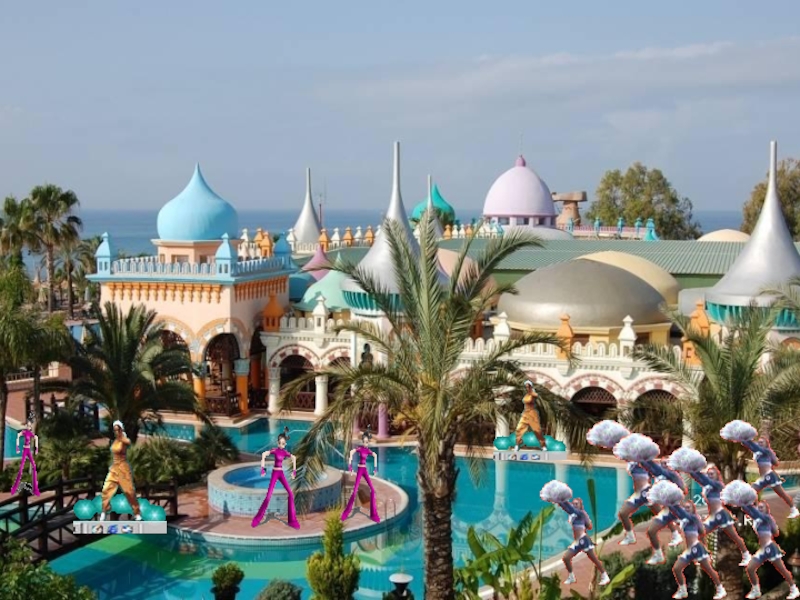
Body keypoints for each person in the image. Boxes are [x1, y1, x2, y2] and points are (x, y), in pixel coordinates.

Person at [690, 465, 750, 565]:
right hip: (713, 517)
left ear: (717, 475)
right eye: (708, 474)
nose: (710, 475)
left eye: (712, 474)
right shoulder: (707, 487)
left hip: (721, 515)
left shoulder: (718, 485)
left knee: (734, 536)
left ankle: (746, 554)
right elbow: (699, 478)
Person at [741, 499, 800, 599]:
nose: (759, 509)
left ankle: (793, 588)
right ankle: (756, 590)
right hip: (763, 550)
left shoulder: (766, 518)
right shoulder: (759, 519)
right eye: (758, 507)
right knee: (750, 568)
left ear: (766, 509)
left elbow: (776, 532)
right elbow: (776, 533)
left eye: (762, 507)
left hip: (770, 548)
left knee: (782, 569)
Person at [669, 500, 726, 599]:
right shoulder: (685, 520)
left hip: (696, 548)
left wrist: (672, 503)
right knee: (676, 568)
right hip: (690, 550)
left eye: (688, 507)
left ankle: (720, 588)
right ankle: (683, 589)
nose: (686, 509)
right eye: (685, 507)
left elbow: (701, 532)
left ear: (693, 509)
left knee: (709, 570)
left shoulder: (693, 518)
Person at [252, 427, 299, 529]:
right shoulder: (275, 450)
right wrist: (263, 468)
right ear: (278, 443)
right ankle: (257, 519)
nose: (282, 445)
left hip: (281, 473)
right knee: (268, 496)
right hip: (275, 473)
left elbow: (294, 457)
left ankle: (292, 520)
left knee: (290, 494)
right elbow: (263, 454)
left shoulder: (285, 452)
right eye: (281, 443)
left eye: (284, 443)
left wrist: (294, 471)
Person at [557, 497, 610, 586]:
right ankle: (571, 577)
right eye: (573, 503)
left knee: (594, 558)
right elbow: (567, 509)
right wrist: (558, 501)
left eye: (576, 503)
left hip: (583, 540)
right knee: (566, 558)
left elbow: (570, 508)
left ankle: (605, 575)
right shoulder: (574, 514)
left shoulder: (581, 513)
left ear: (580, 505)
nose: (574, 505)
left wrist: (562, 500)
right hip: (577, 541)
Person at [741, 436, 798, 517]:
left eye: (762, 442)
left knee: (782, 494)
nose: (760, 443)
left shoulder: (767, 451)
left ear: (766, 444)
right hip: (763, 478)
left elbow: (776, 463)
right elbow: (746, 443)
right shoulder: (758, 450)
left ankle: (794, 509)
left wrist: (771, 455)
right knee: (751, 492)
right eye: (759, 442)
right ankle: (755, 510)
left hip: (769, 476)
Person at [642, 460, 685, 562]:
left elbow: (682, 489)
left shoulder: (672, 474)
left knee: (651, 531)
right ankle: (675, 534)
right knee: (650, 504)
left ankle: (660, 554)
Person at [99, 421, 142, 521]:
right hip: (114, 469)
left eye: (118, 430)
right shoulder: (115, 441)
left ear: (121, 429)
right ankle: (104, 510)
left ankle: (137, 513)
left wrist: (122, 436)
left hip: (123, 469)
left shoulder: (123, 439)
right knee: (106, 489)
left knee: (129, 491)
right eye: (115, 430)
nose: (116, 432)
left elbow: (128, 442)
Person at [342, 427, 380, 523]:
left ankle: (373, 514)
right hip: (360, 469)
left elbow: (375, 455)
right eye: (365, 442)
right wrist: (350, 467)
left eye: (367, 442)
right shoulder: (360, 449)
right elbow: (351, 452)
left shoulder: (368, 451)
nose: (366, 444)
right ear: (362, 442)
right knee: (355, 491)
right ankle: (346, 513)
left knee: (372, 490)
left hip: (365, 470)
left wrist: (375, 469)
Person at [618, 460, 652, 546]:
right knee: (623, 514)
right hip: (638, 494)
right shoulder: (631, 463)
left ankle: (675, 533)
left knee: (663, 514)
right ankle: (630, 537)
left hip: (646, 492)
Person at [514, 380, 547, 452]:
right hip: (525, 414)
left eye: (528, 386)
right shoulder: (526, 395)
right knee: (519, 429)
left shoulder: (532, 393)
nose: (527, 388)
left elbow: (536, 395)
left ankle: (543, 445)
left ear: (530, 387)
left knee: (537, 430)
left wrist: (533, 391)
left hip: (532, 414)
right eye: (526, 386)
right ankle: (517, 444)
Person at [11, 414, 39, 496]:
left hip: (28, 450)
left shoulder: (30, 433)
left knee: (33, 466)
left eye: (30, 425)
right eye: (28, 425)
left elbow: (36, 437)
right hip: (25, 449)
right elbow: (18, 436)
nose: (29, 427)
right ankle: (15, 487)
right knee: (21, 468)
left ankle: (35, 488)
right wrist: (17, 447)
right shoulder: (24, 432)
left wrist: (36, 448)